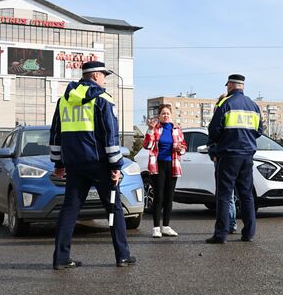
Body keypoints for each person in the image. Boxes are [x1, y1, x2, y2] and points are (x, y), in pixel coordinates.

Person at [49, 61, 135, 269]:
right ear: (95, 76)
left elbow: (55, 135)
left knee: (69, 209)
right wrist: (116, 165)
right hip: (100, 165)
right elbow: (110, 136)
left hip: (74, 165)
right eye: (104, 75)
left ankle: (61, 258)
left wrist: (58, 163)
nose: (105, 80)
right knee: (114, 209)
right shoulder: (103, 100)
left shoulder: (64, 101)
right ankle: (122, 255)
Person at [206, 74, 263, 244]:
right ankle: (249, 233)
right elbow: (259, 130)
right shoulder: (254, 106)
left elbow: (214, 129)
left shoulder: (226, 103)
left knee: (224, 195)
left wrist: (221, 141)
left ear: (230, 85)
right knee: (246, 195)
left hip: (229, 155)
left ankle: (221, 234)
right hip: (247, 155)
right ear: (242, 86)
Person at [142, 104, 187, 238]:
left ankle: (166, 227)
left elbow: (183, 146)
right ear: (159, 116)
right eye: (163, 113)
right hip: (158, 165)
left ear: (171, 115)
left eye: (168, 113)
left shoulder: (177, 129)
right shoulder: (155, 129)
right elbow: (147, 145)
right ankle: (156, 228)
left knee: (169, 197)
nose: (165, 115)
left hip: (173, 165)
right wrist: (150, 130)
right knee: (159, 197)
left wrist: (180, 149)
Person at [208, 93, 237, 234]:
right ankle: (230, 224)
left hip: (226, 158)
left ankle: (229, 224)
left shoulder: (224, 123)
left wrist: (214, 152)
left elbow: (213, 137)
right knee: (228, 195)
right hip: (225, 158)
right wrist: (212, 153)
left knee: (226, 195)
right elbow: (212, 141)